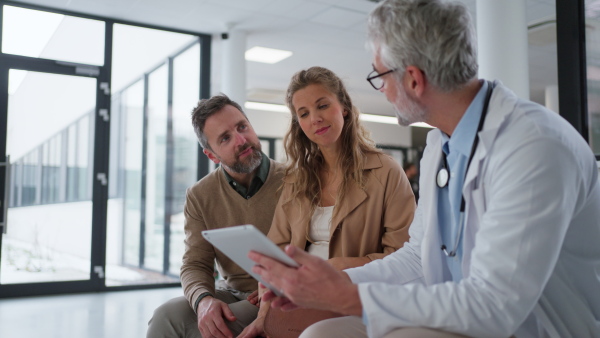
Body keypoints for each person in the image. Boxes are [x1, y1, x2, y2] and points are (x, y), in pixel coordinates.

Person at [249, 0, 600, 337]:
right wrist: (330, 284)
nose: (382, 90)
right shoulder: (440, 146)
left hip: (526, 327)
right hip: (452, 310)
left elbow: (494, 305)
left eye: (380, 76)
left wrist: (345, 296)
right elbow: (417, 258)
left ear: (414, 80)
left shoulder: (532, 146)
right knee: (323, 333)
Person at [238, 66, 415, 337]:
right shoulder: (296, 179)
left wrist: (337, 266)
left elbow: (405, 258)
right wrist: (264, 315)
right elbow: (274, 254)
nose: (315, 119)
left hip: (353, 296)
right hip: (294, 297)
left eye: (323, 106)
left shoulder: (386, 172)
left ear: (343, 107)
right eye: (304, 114)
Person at [146, 94, 285, 338]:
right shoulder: (200, 195)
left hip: (282, 293)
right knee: (165, 317)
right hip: (231, 291)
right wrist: (203, 301)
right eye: (225, 138)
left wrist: (274, 285)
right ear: (211, 155)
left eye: (242, 127)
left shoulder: (294, 180)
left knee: (216, 329)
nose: (241, 140)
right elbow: (195, 263)